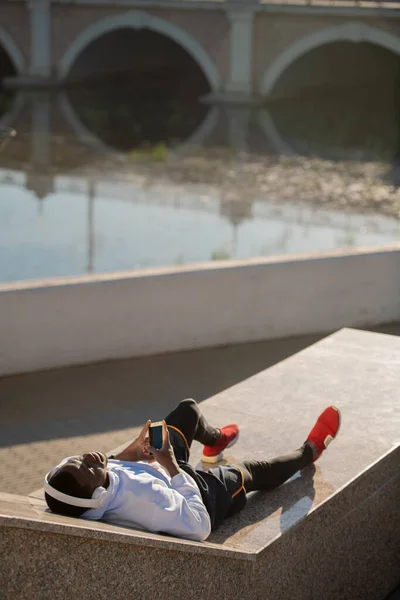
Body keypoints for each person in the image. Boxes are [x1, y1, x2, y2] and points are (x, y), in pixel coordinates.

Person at [44, 399, 341, 542]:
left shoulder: (100, 481)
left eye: (76, 458)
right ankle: (309, 451)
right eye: (87, 467)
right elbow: (199, 527)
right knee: (253, 471)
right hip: (200, 494)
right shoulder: (145, 503)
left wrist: (129, 453)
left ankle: (214, 441)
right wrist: (171, 463)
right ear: (96, 493)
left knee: (187, 410)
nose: (88, 457)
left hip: (163, 467)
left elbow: (111, 473)